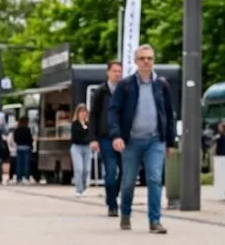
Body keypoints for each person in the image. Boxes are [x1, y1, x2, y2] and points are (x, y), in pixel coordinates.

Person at [108, 44, 175, 234]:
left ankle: (155, 221)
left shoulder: (161, 85)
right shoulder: (126, 85)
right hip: (131, 141)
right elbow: (113, 111)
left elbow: (169, 114)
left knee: (154, 178)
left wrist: (170, 142)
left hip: (155, 140)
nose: (147, 61)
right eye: (143, 58)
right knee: (128, 181)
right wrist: (116, 135)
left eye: (150, 58)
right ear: (136, 62)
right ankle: (126, 214)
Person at [88, 61, 123, 217]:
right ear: (108, 72)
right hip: (105, 137)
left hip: (123, 137)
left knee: (125, 171)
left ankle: (113, 196)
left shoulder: (124, 90)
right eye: (114, 71)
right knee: (110, 171)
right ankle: (112, 204)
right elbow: (93, 115)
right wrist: (93, 138)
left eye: (119, 71)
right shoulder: (101, 92)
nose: (117, 74)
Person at [70, 104, 93, 197]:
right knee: (79, 168)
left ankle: (84, 187)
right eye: (81, 112)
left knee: (86, 169)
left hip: (87, 148)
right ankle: (78, 189)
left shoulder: (89, 124)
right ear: (78, 113)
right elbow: (75, 136)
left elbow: (90, 135)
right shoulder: (75, 124)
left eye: (85, 112)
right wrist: (84, 135)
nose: (83, 114)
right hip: (77, 147)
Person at [12, 116, 34, 184]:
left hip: (19, 147)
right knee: (26, 164)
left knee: (19, 164)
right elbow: (30, 138)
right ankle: (26, 177)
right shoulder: (27, 129)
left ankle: (19, 178)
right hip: (26, 147)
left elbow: (15, 138)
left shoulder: (17, 130)